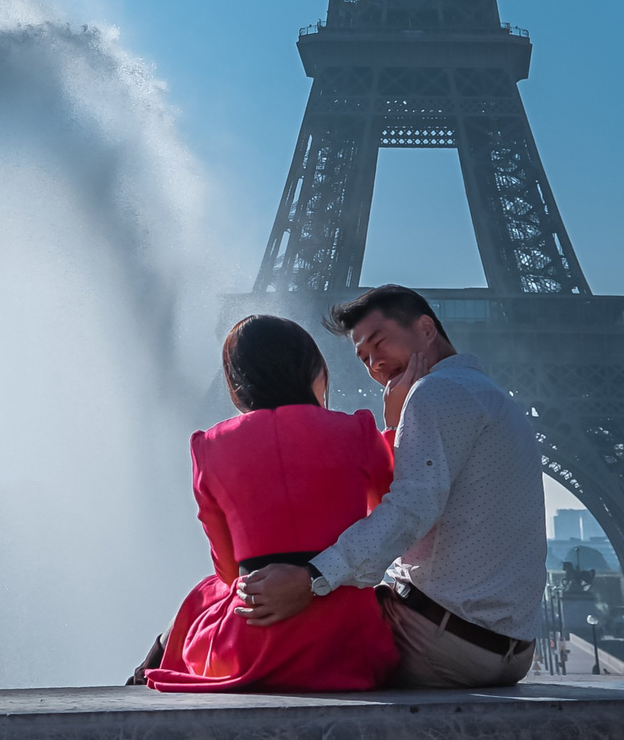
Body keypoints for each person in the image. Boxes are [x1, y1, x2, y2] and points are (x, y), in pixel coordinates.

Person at [232, 286, 542, 689]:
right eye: (363, 358)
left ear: (426, 329)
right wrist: (395, 425)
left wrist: (311, 577)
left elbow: (409, 508)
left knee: (253, 616)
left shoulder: (433, 393)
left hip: (441, 644)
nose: (375, 363)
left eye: (379, 343)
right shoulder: (489, 395)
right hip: (507, 653)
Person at [136, 314, 402, 693]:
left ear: (237, 384)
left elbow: (229, 572)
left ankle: (142, 672)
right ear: (313, 370)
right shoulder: (357, 431)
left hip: (251, 639)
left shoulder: (208, 446)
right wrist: (392, 424)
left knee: (203, 594)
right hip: (348, 643)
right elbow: (392, 516)